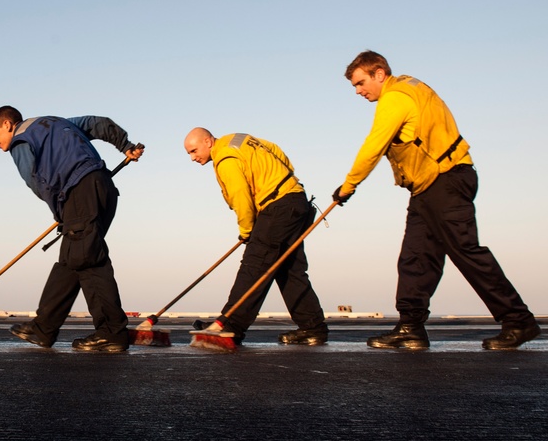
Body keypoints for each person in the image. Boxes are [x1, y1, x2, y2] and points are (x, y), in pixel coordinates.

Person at [334, 50, 540, 350]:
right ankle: (411, 327)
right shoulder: (414, 87)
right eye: (354, 86)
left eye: (361, 82)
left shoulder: (395, 97)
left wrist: (348, 186)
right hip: (428, 186)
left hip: (445, 180)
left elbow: (373, 146)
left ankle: (518, 320)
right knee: (416, 257)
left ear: (379, 73)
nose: (358, 91)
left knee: (466, 251)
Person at [0, 106, 144, 352]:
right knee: (74, 260)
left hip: (79, 193)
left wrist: (61, 211)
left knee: (89, 261)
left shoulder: (21, 139)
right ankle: (44, 328)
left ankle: (112, 333)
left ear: (8, 124)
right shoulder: (56, 122)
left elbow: (36, 180)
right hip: (103, 189)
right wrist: (124, 144)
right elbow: (97, 123)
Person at [184, 128, 328, 346]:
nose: (193, 158)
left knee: (255, 264)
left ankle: (230, 326)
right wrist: (285, 179)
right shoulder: (238, 139)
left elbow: (240, 196)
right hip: (295, 199)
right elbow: (277, 151)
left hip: (277, 207)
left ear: (208, 141)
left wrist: (247, 231)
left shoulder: (225, 158)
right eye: (189, 154)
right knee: (290, 270)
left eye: (194, 151)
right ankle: (313, 328)